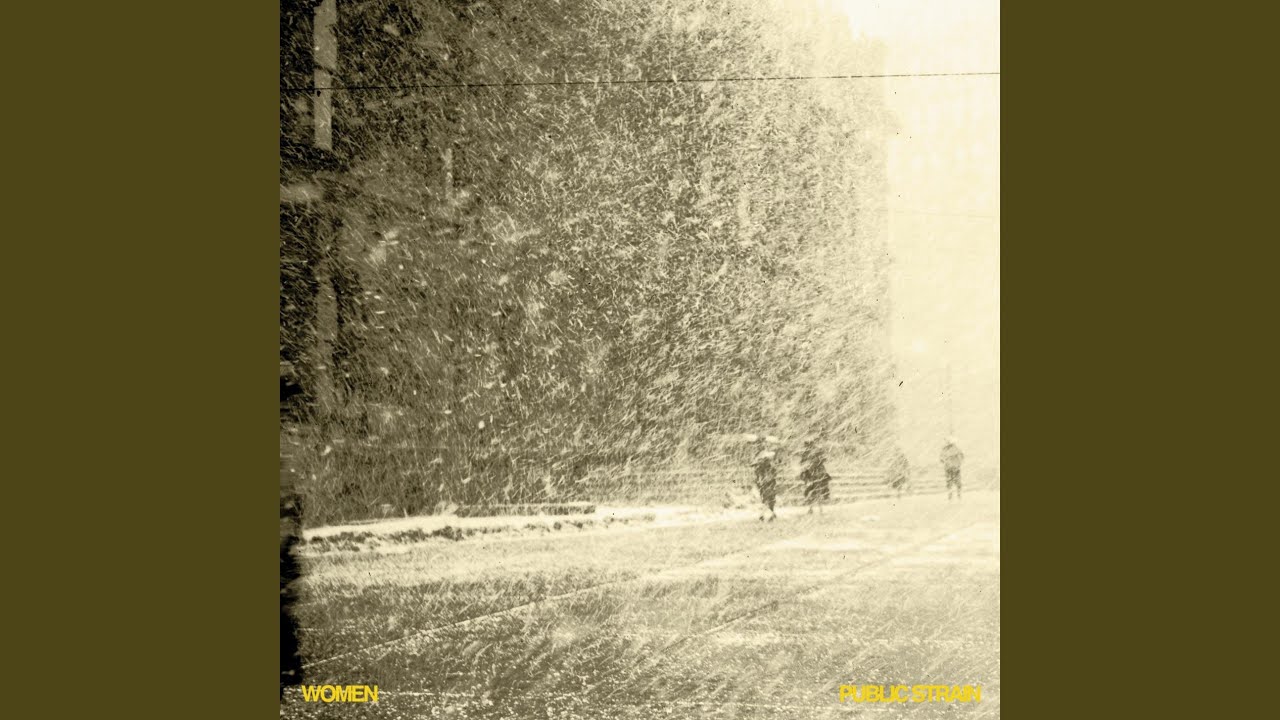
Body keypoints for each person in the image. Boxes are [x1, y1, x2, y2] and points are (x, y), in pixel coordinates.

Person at [799, 438, 832, 514]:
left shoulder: (816, 452)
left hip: (816, 474)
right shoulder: (808, 453)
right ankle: (814, 507)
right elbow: (802, 463)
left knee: (816, 491)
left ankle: (816, 507)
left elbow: (823, 460)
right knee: (814, 491)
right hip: (813, 474)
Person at [751, 436, 780, 521]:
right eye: (759, 444)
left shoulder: (770, 453)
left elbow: (775, 463)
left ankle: (770, 512)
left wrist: (767, 462)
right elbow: (754, 464)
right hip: (762, 477)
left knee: (769, 495)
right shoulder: (758, 454)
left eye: (763, 443)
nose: (761, 445)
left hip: (768, 477)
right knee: (764, 495)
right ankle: (766, 513)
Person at [941, 437, 965, 501]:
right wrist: (957, 462)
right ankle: (957, 494)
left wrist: (947, 461)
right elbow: (962, 457)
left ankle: (952, 495)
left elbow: (941, 459)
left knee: (951, 482)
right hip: (954, 467)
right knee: (956, 482)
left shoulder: (946, 449)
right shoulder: (956, 449)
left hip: (950, 467)